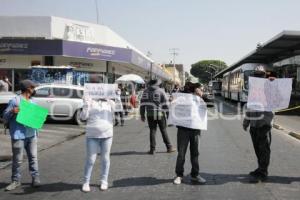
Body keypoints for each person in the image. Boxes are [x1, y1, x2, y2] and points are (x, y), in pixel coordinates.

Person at [3, 80, 41, 191]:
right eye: (33, 87)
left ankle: (35, 178)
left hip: (31, 134)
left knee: (33, 158)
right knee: (17, 160)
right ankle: (16, 181)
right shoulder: (15, 101)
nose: (34, 88)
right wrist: (12, 111)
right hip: (18, 134)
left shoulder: (33, 102)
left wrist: (38, 119)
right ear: (27, 88)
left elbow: (36, 119)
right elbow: (4, 117)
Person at [243, 66, 276, 183]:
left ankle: (263, 171)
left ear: (264, 75)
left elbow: (279, 96)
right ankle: (260, 168)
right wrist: (246, 122)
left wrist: (272, 82)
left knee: (264, 149)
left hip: (264, 123)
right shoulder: (253, 89)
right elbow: (249, 106)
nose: (258, 77)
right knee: (257, 148)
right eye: (256, 75)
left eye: (260, 75)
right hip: (254, 124)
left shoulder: (271, 86)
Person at [173, 82, 207, 185]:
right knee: (181, 153)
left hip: (195, 129)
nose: (199, 90)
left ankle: (195, 175)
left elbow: (209, 104)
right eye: (197, 89)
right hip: (183, 129)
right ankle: (179, 175)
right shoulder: (182, 96)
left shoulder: (199, 97)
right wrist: (173, 101)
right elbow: (173, 106)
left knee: (195, 153)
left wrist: (202, 96)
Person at [80, 96, 116, 192]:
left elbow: (116, 112)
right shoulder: (89, 101)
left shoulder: (109, 102)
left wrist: (113, 99)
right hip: (92, 135)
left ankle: (104, 180)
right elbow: (83, 117)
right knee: (91, 159)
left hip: (107, 134)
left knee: (105, 158)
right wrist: (86, 104)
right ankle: (86, 181)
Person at [140, 79, 175, 154]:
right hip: (159, 114)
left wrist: (142, 114)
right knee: (163, 130)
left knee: (152, 131)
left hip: (150, 114)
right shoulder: (161, 91)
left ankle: (152, 149)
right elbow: (165, 103)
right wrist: (168, 113)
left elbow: (142, 103)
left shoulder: (145, 91)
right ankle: (169, 147)